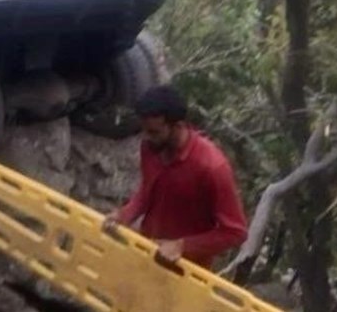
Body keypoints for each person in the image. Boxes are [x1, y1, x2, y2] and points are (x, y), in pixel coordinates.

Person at [102, 86, 248, 268]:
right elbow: (148, 192)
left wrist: (182, 246)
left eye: (154, 132)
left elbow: (235, 232)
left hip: (187, 272)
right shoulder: (151, 147)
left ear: (178, 126)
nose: (146, 137)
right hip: (146, 253)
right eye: (145, 131)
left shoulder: (213, 167)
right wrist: (123, 215)